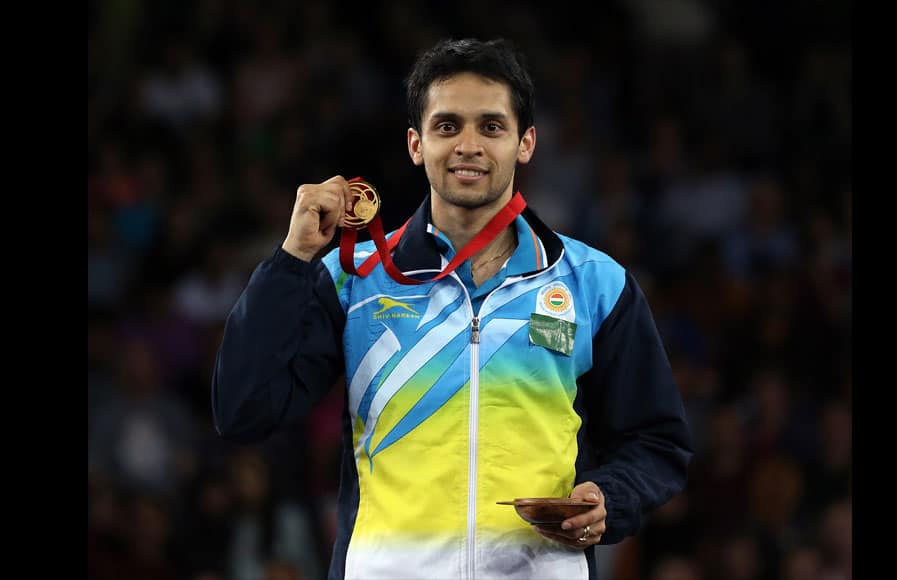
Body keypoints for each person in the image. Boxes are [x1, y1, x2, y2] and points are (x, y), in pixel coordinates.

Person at [212, 37, 693, 580]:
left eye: (491, 126)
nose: (468, 144)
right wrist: (292, 258)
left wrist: (610, 497)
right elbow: (243, 410)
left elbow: (657, 440)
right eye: (447, 126)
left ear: (525, 143)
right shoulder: (353, 279)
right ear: (416, 145)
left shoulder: (595, 283)